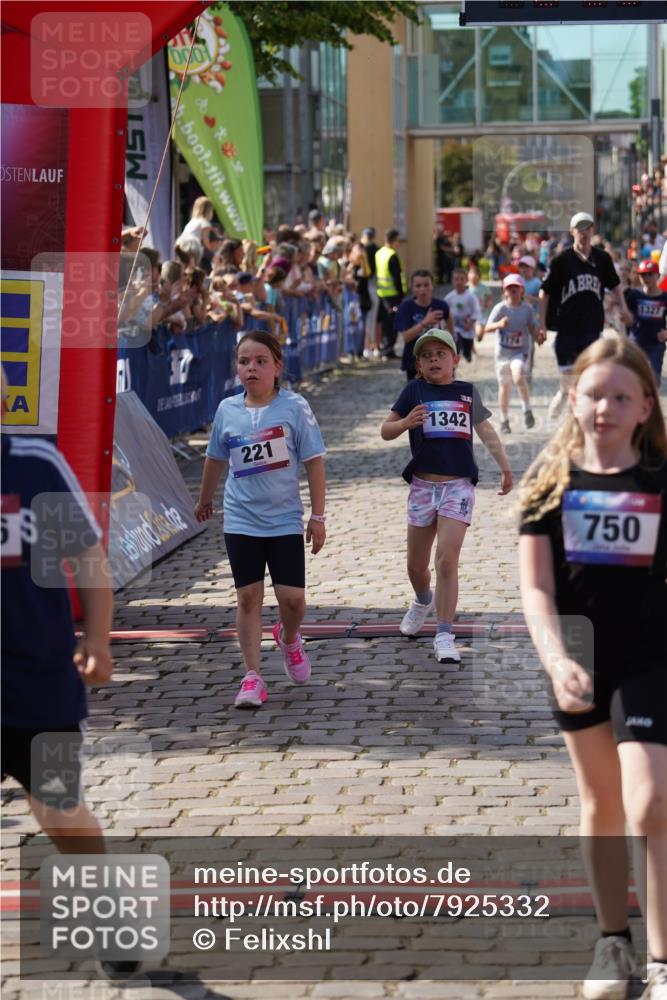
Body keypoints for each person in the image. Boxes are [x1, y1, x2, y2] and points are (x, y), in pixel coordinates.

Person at [518, 337, 667, 1000]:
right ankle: (613, 943)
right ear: (572, 398)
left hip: (651, 657)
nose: (605, 407)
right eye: (594, 394)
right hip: (577, 655)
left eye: (620, 397)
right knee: (602, 801)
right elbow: (536, 588)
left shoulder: (660, 479)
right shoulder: (547, 484)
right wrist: (554, 659)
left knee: (651, 801)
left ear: (645, 408)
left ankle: (662, 961)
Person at [0, 372, 140, 982]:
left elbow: (86, 557)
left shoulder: (35, 466)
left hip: (39, 683)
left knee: (60, 809)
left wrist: (99, 640)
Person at [194, 331, 327, 709]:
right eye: (244, 362)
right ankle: (252, 676)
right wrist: (204, 499)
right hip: (241, 519)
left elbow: (314, 462)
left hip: (284, 519)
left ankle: (290, 637)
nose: (251, 368)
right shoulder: (227, 410)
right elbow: (215, 458)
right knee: (248, 597)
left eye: (261, 361)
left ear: (277, 367)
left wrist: (318, 516)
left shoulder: (295, 407)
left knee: (293, 600)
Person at [380, 329, 512, 663]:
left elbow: (486, 431)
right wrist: (406, 422)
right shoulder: (414, 391)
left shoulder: (466, 392)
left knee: (447, 561)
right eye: (426, 356)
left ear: (455, 359)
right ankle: (423, 599)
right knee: (416, 566)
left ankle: (444, 634)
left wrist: (505, 467)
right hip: (422, 487)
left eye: (441, 354)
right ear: (418, 365)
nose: (434, 360)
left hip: (458, 486)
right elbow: (385, 430)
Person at [539, 212, 633, 422]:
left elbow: (615, 285)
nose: (584, 232)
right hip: (567, 329)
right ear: (572, 231)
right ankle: (564, 395)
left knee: (589, 377)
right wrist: (542, 324)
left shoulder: (602, 259)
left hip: (592, 328)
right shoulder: (562, 260)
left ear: (593, 230)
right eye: (580, 228)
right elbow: (545, 292)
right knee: (570, 380)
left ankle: (580, 420)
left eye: (588, 227)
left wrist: (624, 308)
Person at [481, 273, 545, 433]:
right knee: (505, 387)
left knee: (518, 375)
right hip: (502, 354)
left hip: (520, 352)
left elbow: (532, 328)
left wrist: (538, 337)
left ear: (522, 290)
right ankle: (504, 420)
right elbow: (487, 328)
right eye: (509, 288)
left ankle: (527, 410)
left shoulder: (527, 309)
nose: (513, 290)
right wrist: (499, 324)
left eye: (516, 287)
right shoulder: (500, 308)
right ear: (504, 291)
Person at [394, 269, 454, 381]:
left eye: (426, 285)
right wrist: (424, 323)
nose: (422, 289)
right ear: (412, 288)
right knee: (417, 392)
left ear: (432, 286)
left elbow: (450, 321)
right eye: (418, 286)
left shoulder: (441, 305)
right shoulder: (406, 308)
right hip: (414, 362)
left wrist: (452, 341)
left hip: (438, 361)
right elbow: (406, 337)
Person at [625, 258, 667, 386]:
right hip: (636, 342)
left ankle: (650, 398)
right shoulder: (634, 295)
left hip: (656, 345)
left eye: (650, 274)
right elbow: (624, 315)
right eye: (643, 275)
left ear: (658, 275)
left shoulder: (664, 297)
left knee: (654, 380)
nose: (646, 278)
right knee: (632, 378)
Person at [375, 228, 407, 359]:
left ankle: (385, 348)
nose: (399, 243)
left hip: (382, 293)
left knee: (384, 322)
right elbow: (396, 277)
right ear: (393, 240)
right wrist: (401, 294)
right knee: (392, 323)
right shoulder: (392, 255)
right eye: (398, 240)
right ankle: (388, 349)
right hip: (393, 295)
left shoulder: (379, 253)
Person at [445, 268, 481, 363]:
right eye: (456, 279)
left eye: (462, 279)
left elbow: (476, 311)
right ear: (452, 281)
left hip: (468, 329)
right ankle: (455, 358)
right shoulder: (449, 297)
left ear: (466, 280)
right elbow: (444, 310)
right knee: (456, 342)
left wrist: (471, 322)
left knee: (467, 351)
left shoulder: (471, 297)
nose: (459, 282)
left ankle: (467, 354)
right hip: (455, 328)